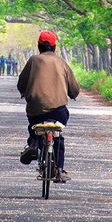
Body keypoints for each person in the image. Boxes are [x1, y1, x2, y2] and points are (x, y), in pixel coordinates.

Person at [16, 30, 79, 182]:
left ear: (39, 46)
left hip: (36, 109)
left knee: (33, 126)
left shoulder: (33, 60)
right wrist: (72, 94)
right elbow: (74, 89)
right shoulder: (62, 62)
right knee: (58, 137)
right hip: (59, 111)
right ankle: (60, 169)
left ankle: (33, 143)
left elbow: (21, 83)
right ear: (54, 47)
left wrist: (25, 92)